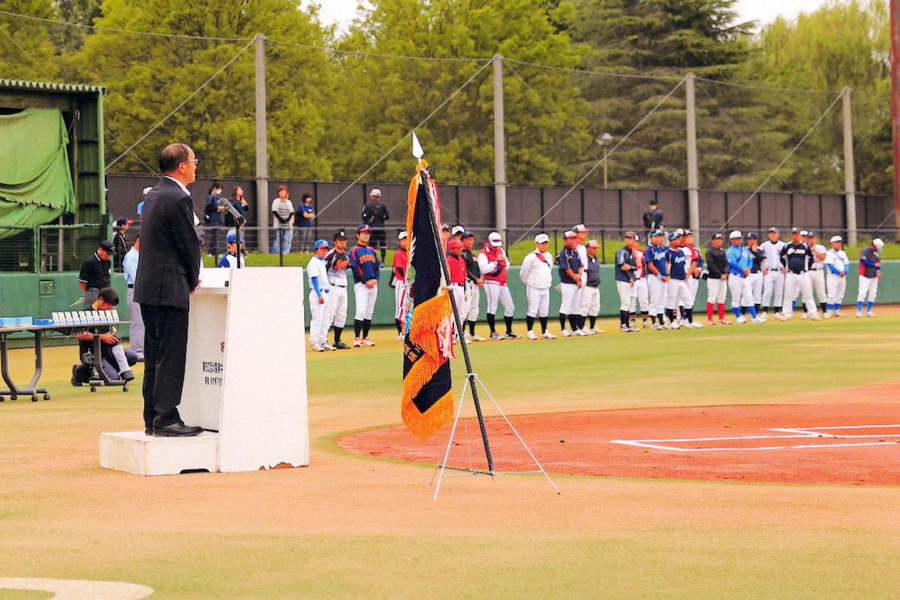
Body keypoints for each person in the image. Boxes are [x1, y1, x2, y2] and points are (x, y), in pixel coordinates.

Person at [134, 142, 203, 437]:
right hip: (168, 288)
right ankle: (166, 418)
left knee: (154, 353)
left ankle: (152, 416)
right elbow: (188, 244)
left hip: (148, 287)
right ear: (182, 166)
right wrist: (191, 278)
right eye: (194, 161)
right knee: (171, 355)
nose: (196, 165)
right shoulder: (178, 197)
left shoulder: (154, 195)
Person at [71, 287, 138, 385]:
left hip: (109, 351)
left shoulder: (107, 313)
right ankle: (80, 373)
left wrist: (118, 344)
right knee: (113, 378)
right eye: (109, 305)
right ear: (101, 300)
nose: (110, 308)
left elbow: (113, 329)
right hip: (94, 354)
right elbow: (79, 335)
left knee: (132, 356)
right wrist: (101, 337)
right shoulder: (86, 313)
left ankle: (104, 370)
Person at [478, 231, 519, 340]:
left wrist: (504, 263)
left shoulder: (500, 250)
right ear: (489, 242)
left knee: (510, 307)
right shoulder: (483, 253)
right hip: (490, 282)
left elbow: (507, 266)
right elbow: (483, 269)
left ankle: (509, 331)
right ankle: (492, 332)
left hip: (502, 281)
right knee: (492, 306)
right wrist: (495, 262)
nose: (496, 247)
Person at [777, 227, 819, 321]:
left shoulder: (805, 246)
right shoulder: (787, 246)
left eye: (797, 234)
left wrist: (807, 267)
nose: (795, 236)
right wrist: (784, 266)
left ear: (800, 235)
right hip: (791, 274)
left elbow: (811, 258)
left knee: (808, 294)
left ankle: (813, 313)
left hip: (803, 274)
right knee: (788, 294)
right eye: (793, 234)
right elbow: (781, 256)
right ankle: (787, 314)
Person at [349, 224, 380, 346]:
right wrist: (365, 281)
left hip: (373, 284)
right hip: (361, 285)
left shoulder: (372, 250)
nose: (366, 235)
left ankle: (365, 337)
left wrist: (376, 279)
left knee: (369, 311)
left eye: (367, 233)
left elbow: (377, 267)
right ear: (358, 235)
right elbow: (355, 268)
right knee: (360, 311)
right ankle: (357, 338)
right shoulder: (354, 250)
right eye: (363, 233)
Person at [520, 233, 556, 340]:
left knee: (544, 310)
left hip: (545, 287)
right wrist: (529, 282)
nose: (544, 245)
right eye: (542, 243)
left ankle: (544, 331)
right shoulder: (531, 257)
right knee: (532, 309)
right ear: (536, 244)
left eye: (545, 243)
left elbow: (549, 269)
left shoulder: (549, 256)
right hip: (534, 287)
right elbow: (524, 272)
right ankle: (530, 331)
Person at [665, 231, 702, 328]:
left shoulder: (681, 252)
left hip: (681, 279)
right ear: (670, 241)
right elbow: (667, 265)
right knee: (672, 301)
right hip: (672, 279)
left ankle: (689, 321)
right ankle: (672, 321)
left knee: (688, 300)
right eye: (675, 239)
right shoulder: (668, 252)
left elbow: (684, 265)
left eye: (678, 239)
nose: (677, 241)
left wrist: (686, 274)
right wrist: (668, 275)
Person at [726, 231, 762, 323]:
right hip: (735, 276)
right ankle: (738, 317)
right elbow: (732, 263)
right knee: (736, 297)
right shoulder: (730, 251)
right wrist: (743, 269)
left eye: (740, 238)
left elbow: (750, 260)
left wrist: (748, 269)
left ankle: (754, 317)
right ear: (732, 240)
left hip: (744, 276)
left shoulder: (745, 250)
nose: (739, 240)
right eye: (736, 239)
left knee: (749, 296)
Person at [324, 230, 351, 350]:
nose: (343, 242)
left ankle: (337, 340)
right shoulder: (330, 255)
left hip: (343, 287)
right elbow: (323, 270)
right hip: (333, 286)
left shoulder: (346, 255)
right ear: (335, 242)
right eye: (340, 240)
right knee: (330, 314)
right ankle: (323, 339)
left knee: (342, 315)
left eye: (344, 240)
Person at [307, 239, 332, 352]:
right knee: (317, 318)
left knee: (325, 319)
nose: (324, 251)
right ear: (316, 249)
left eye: (326, 249)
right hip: (318, 292)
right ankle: (314, 342)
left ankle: (323, 341)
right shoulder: (313, 262)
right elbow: (314, 279)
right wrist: (319, 294)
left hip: (325, 292)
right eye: (322, 249)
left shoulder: (322, 261)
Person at [558, 231, 584, 336]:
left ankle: (575, 328)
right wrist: (576, 278)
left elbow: (580, 266)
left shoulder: (575, 252)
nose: (573, 240)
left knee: (575, 306)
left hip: (576, 282)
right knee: (566, 306)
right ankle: (563, 329)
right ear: (565, 240)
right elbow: (566, 268)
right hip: (567, 283)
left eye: (574, 238)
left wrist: (579, 276)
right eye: (571, 238)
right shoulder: (563, 253)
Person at [122, 237, 144, 360]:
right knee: (138, 321)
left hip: (144, 289)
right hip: (135, 289)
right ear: (138, 241)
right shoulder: (131, 256)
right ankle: (137, 351)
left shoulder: (142, 255)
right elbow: (137, 277)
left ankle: (144, 350)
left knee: (145, 321)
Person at [461, 232, 485, 342]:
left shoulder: (473, 254)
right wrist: (476, 278)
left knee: (474, 308)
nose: (470, 242)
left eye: (471, 239)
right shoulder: (463, 254)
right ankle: (461, 332)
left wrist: (480, 278)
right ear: (462, 241)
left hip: (475, 284)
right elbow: (466, 270)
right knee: (465, 308)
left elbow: (477, 268)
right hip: (468, 283)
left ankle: (472, 332)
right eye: (467, 239)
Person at [644, 229, 670, 329]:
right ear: (651, 238)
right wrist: (660, 276)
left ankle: (662, 322)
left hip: (663, 277)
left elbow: (666, 262)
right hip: (654, 277)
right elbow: (650, 265)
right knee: (654, 299)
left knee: (662, 300)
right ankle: (654, 322)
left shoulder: (662, 249)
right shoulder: (649, 249)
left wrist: (667, 274)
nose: (659, 238)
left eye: (660, 236)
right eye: (657, 236)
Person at [615, 232, 640, 332]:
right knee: (625, 302)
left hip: (630, 281)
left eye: (630, 238)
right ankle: (623, 325)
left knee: (629, 303)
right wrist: (630, 276)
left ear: (634, 240)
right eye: (627, 238)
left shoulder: (631, 252)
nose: (628, 240)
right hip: (622, 279)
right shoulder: (622, 251)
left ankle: (628, 324)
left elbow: (635, 267)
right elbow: (622, 266)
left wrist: (630, 268)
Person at [78, 240, 114, 309]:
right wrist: (89, 292)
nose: (108, 256)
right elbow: (82, 281)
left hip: (106, 292)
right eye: (107, 253)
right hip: (94, 291)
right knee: (91, 314)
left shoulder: (107, 262)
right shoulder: (89, 262)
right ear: (101, 250)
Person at [760, 227, 786, 317]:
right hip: (768, 271)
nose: (772, 235)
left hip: (779, 271)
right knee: (767, 291)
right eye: (771, 233)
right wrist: (762, 268)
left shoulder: (783, 245)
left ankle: (777, 311)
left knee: (779, 292)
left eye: (774, 233)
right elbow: (759, 257)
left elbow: (787, 257)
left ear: (778, 234)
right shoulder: (764, 245)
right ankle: (765, 311)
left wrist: (786, 267)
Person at [705, 233, 729, 325]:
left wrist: (725, 273)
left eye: (720, 239)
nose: (719, 241)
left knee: (722, 297)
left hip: (722, 278)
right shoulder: (710, 251)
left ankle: (721, 318)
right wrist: (720, 274)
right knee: (712, 297)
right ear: (713, 240)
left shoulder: (722, 251)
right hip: (713, 278)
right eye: (717, 239)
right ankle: (710, 318)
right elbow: (711, 265)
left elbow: (726, 264)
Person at [446, 239, 468, 340]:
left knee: (461, 313)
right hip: (452, 287)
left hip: (461, 287)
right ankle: (449, 335)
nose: (460, 250)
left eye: (461, 248)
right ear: (452, 249)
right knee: (451, 314)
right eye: (458, 248)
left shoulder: (462, 260)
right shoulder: (448, 260)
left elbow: (464, 277)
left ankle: (458, 335)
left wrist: (465, 291)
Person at [824, 235, 850, 318]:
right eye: (836, 243)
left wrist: (845, 271)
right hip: (833, 276)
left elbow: (847, 264)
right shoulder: (829, 253)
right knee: (832, 293)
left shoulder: (843, 253)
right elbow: (830, 265)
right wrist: (839, 272)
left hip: (842, 276)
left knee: (840, 293)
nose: (838, 244)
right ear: (832, 244)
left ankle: (837, 310)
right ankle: (829, 310)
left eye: (839, 242)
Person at [857, 238, 884, 317]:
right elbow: (863, 261)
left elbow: (878, 262)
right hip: (865, 275)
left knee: (873, 293)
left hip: (873, 275)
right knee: (862, 292)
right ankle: (859, 310)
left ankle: (869, 311)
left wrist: (878, 271)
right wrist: (874, 265)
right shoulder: (865, 251)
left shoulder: (876, 253)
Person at [582, 239, 604, 334]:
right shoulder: (585, 259)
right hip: (587, 286)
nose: (595, 250)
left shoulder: (596, 259)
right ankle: (582, 326)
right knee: (585, 306)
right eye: (593, 248)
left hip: (595, 286)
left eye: (596, 248)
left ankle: (592, 326)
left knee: (595, 306)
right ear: (587, 249)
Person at [362, 189, 390, 262]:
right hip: (381, 228)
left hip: (372, 229)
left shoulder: (367, 205)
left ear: (372, 196)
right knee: (383, 245)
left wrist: (368, 222)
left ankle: (373, 260)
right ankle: (383, 261)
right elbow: (387, 216)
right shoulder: (383, 205)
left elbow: (364, 216)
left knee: (372, 246)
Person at [805, 232, 828, 317]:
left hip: (818, 271)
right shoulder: (805, 247)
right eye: (809, 238)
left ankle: (824, 312)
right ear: (807, 239)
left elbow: (823, 257)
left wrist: (815, 251)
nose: (811, 240)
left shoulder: (820, 247)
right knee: (807, 292)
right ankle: (807, 312)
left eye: (812, 238)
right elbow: (806, 260)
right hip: (808, 271)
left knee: (821, 292)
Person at [392, 231, 409, 339]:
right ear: (399, 241)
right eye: (404, 239)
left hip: (409, 283)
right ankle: (400, 332)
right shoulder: (399, 253)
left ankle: (406, 330)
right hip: (401, 283)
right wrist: (406, 280)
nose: (406, 241)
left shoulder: (410, 252)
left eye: (407, 239)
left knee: (407, 307)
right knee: (400, 306)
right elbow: (399, 268)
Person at [631, 238, 650, 330]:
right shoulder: (627, 253)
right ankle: (632, 321)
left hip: (642, 279)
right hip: (632, 280)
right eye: (633, 242)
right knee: (632, 301)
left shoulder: (642, 252)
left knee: (644, 300)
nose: (635, 244)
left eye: (636, 242)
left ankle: (645, 319)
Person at [747, 232, 766, 318]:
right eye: (748, 239)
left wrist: (755, 252)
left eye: (751, 239)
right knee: (747, 294)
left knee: (757, 295)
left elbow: (761, 260)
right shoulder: (745, 250)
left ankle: (755, 315)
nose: (749, 241)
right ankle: (743, 314)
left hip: (758, 273)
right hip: (749, 274)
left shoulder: (760, 249)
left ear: (756, 240)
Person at [271, 185, 294, 254]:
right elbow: (274, 211)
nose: (282, 193)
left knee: (287, 239)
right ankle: (275, 251)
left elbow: (291, 212)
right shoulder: (276, 201)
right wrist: (280, 219)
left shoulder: (289, 202)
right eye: (281, 192)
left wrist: (288, 219)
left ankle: (285, 251)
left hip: (287, 224)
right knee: (278, 238)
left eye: (284, 192)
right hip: (279, 224)